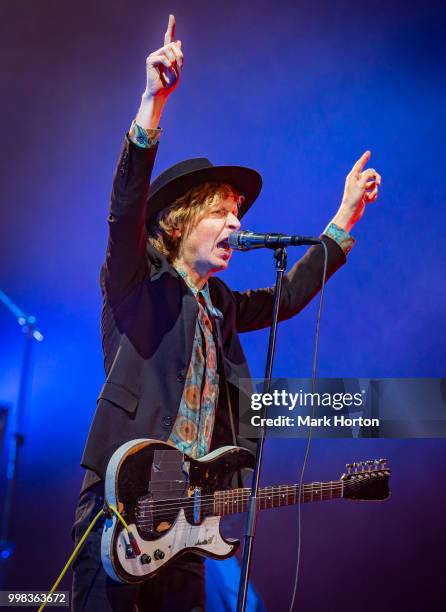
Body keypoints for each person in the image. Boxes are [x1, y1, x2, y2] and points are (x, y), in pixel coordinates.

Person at [71, 13, 381, 612]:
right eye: (223, 210)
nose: (237, 223)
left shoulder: (221, 306)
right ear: (180, 222)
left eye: (238, 212)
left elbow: (287, 297)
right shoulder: (137, 284)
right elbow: (124, 211)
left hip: (189, 522)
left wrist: (343, 220)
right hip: (120, 508)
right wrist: (152, 105)